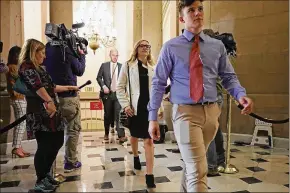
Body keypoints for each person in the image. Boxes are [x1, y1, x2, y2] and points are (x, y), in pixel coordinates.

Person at [147, 0, 254, 192]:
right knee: (199, 169)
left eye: (200, 9)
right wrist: (152, 116)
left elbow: (228, 77)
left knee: (193, 165)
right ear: (181, 18)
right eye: (191, 10)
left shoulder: (217, 46)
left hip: (212, 114)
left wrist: (240, 94)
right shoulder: (170, 47)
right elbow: (158, 83)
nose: (197, 13)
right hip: (185, 114)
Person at [18, 38, 79, 192]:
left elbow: (51, 86)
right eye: (42, 53)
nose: (44, 56)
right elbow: (37, 87)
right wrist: (49, 101)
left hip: (51, 111)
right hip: (40, 112)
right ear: (33, 52)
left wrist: (68, 87)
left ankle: (46, 175)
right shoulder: (27, 67)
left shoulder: (41, 68)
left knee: (57, 140)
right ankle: (41, 180)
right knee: (44, 146)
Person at [116, 39, 163, 188]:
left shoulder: (152, 68)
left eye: (148, 46)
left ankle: (150, 175)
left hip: (149, 109)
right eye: (142, 46)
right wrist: (125, 105)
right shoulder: (128, 66)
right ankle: (136, 156)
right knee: (134, 136)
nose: (145, 48)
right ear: (136, 49)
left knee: (149, 140)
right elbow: (120, 87)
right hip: (134, 108)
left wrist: (159, 108)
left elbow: (157, 90)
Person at [44, 38, 86, 172]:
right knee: (72, 130)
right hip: (68, 98)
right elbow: (79, 70)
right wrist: (82, 55)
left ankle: (49, 169)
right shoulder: (68, 51)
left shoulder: (46, 50)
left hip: (50, 98)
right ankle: (70, 162)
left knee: (51, 133)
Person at [97, 48, 127, 143]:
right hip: (107, 95)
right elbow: (98, 77)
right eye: (114, 55)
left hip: (118, 95)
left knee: (119, 114)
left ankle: (121, 135)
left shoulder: (121, 66)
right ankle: (106, 133)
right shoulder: (104, 65)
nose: (115, 57)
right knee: (108, 115)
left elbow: (124, 80)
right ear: (110, 55)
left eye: (117, 55)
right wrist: (103, 86)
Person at [6, 46, 30, 158]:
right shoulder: (13, 67)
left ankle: (18, 146)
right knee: (21, 123)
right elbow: (22, 79)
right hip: (18, 98)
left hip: (19, 97)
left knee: (20, 123)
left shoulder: (14, 67)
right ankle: (16, 147)